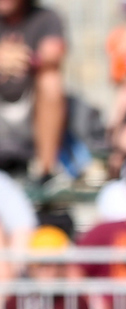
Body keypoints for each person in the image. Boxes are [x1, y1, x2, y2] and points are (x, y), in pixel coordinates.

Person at [0, 0, 66, 180]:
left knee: (50, 80)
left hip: (30, 107)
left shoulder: (46, 17)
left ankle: (45, 171)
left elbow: (54, 54)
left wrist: (23, 59)